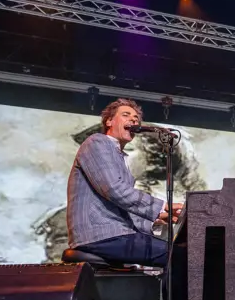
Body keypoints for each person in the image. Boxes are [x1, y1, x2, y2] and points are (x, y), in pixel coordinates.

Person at [66, 98, 182, 267]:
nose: (133, 120)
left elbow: (120, 208)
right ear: (109, 121)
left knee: (178, 253)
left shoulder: (118, 156)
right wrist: (162, 207)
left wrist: (156, 220)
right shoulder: (97, 142)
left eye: (136, 119)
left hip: (112, 234)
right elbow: (114, 189)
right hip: (100, 234)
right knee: (180, 256)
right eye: (126, 115)